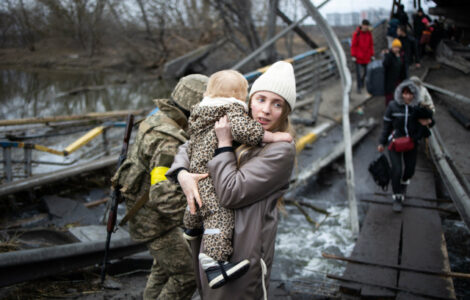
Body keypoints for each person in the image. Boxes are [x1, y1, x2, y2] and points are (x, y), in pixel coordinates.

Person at [166, 61, 297, 299]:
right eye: (261, 99)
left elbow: (231, 192)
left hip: (242, 254)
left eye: (277, 104)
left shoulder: (280, 150)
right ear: (248, 101)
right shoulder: (236, 124)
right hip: (211, 239)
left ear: (285, 112)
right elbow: (190, 145)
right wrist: (182, 175)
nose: (266, 110)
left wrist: (225, 145)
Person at [111, 74, 208, 300]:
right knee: (187, 275)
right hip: (153, 221)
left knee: (164, 267)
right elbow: (162, 195)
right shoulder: (169, 141)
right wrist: (197, 221)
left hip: (147, 212)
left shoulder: (159, 119)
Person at [377, 80, 434, 212]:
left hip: (412, 142)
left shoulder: (418, 107)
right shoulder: (393, 106)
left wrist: (428, 121)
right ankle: (397, 197)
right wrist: (382, 142)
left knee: (410, 170)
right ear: (401, 93)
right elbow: (386, 126)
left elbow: (430, 122)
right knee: (396, 170)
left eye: (410, 94)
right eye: (405, 93)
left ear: (414, 95)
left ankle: (404, 182)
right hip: (395, 142)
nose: (407, 97)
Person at [351, 19, 374, 93]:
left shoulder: (369, 34)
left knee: (367, 72)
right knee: (358, 73)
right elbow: (353, 45)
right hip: (359, 57)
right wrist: (354, 55)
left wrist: (372, 54)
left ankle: (362, 82)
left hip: (367, 57)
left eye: (367, 26)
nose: (366, 27)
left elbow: (371, 45)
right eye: (365, 26)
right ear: (362, 25)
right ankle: (359, 87)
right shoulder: (356, 34)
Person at [383, 39, 406, 106]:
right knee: (389, 95)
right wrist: (387, 55)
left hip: (399, 78)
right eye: (395, 47)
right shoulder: (389, 55)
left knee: (398, 92)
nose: (396, 49)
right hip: (390, 79)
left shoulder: (401, 55)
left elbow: (403, 67)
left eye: (398, 47)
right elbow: (385, 64)